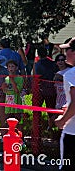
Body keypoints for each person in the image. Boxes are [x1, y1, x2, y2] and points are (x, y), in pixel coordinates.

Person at [55, 37, 75, 171]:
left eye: (67, 49)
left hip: (72, 131)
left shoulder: (70, 74)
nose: (64, 53)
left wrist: (62, 120)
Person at [34, 46, 58, 130]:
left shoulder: (38, 64)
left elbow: (36, 76)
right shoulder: (53, 63)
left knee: (37, 109)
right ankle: (51, 126)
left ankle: (38, 126)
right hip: (51, 89)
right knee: (51, 109)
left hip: (41, 88)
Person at [2, 60, 24, 124]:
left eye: (12, 66)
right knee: (8, 122)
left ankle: (19, 133)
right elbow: (5, 91)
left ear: (16, 68)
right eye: (9, 66)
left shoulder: (20, 78)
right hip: (8, 105)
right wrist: (4, 87)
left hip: (17, 105)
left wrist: (12, 80)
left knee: (18, 122)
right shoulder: (6, 79)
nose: (11, 68)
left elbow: (17, 91)